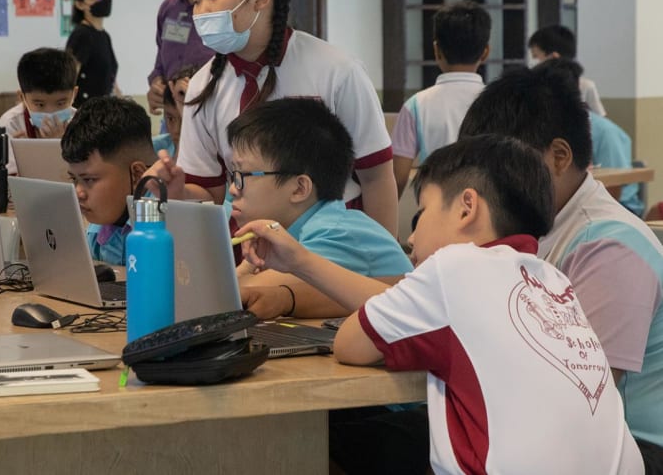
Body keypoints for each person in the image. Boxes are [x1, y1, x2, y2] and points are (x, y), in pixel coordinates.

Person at [235, 134, 643, 475]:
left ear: (467, 206)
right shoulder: (550, 280)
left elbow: (351, 344)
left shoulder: (454, 266)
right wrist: (302, 263)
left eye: (423, 212)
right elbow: (409, 308)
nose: (411, 239)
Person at [459, 62, 663, 473]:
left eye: (501, 170)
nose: (487, 188)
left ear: (558, 157)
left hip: (632, 447)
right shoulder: (543, 226)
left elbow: (582, 393)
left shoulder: (611, 245)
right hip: (565, 433)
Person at [147, 0, 399, 236]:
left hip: (332, 246)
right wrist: (180, 192)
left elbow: (376, 177)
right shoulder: (203, 86)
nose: (202, 12)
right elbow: (210, 194)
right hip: (250, 249)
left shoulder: (337, 71)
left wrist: (385, 266)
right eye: (196, 0)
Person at [227, 98, 411, 320]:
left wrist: (246, 269)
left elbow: (242, 298)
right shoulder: (302, 227)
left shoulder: (337, 233)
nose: (232, 189)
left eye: (242, 176)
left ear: (299, 188)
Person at [391, 0, 488, 198]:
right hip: (489, 220)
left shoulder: (416, 105)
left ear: (436, 51)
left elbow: (396, 179)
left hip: (434, 216)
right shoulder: (501, 102)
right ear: (485, 52)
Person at [61, 96, 157, 265]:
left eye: (89, 180)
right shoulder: (98, 225)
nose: (78, 193)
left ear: (137, 175)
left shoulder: (168, 232)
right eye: (74, 179)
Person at [543, 57, 643, 215]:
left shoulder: (604, 131)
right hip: (575, 207)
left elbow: (614, 187)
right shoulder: (547, 127)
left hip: (619, 208)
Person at [0, 47, 79, 175]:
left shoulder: (80, 123)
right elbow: (10, 183)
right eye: (40, 104)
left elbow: (82, 178)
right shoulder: (11, 123)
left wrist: (59, 146)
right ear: (22, 97)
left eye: (61, 103)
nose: (50, 112)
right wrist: (26, 157)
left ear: (74, 94)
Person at [65, 0, 119, 107]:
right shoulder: (82, 35)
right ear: (79, 4)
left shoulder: (104, 36)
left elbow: (110, 79)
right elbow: (67, 80)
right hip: (84, 113)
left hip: (103, 111)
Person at [529, 24, 606, 116]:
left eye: (535, 56)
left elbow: (600, 122)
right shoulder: (531, 87)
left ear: (554, 58)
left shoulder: (585, 86)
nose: (531, 63)